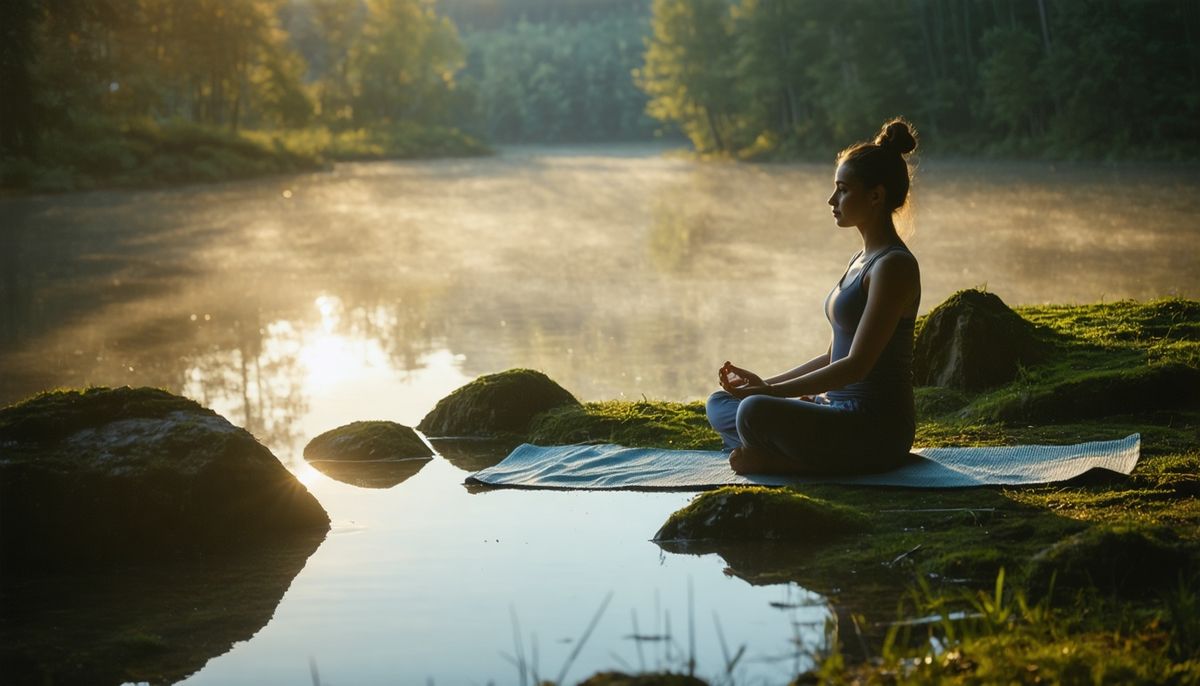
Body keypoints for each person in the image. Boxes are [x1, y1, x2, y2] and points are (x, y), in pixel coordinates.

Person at [706, 118, 922, 476]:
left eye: (843, 190)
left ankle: (783, 462)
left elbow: (856, 366)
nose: (831, 200)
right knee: (721, 403)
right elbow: (833, 356)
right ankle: (783, 450)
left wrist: (772, 394)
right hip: (833, 411)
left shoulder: (893, 267)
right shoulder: (861, 259)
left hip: (875, 428)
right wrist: (765, 386)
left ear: (875, 196)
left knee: (753, 411)